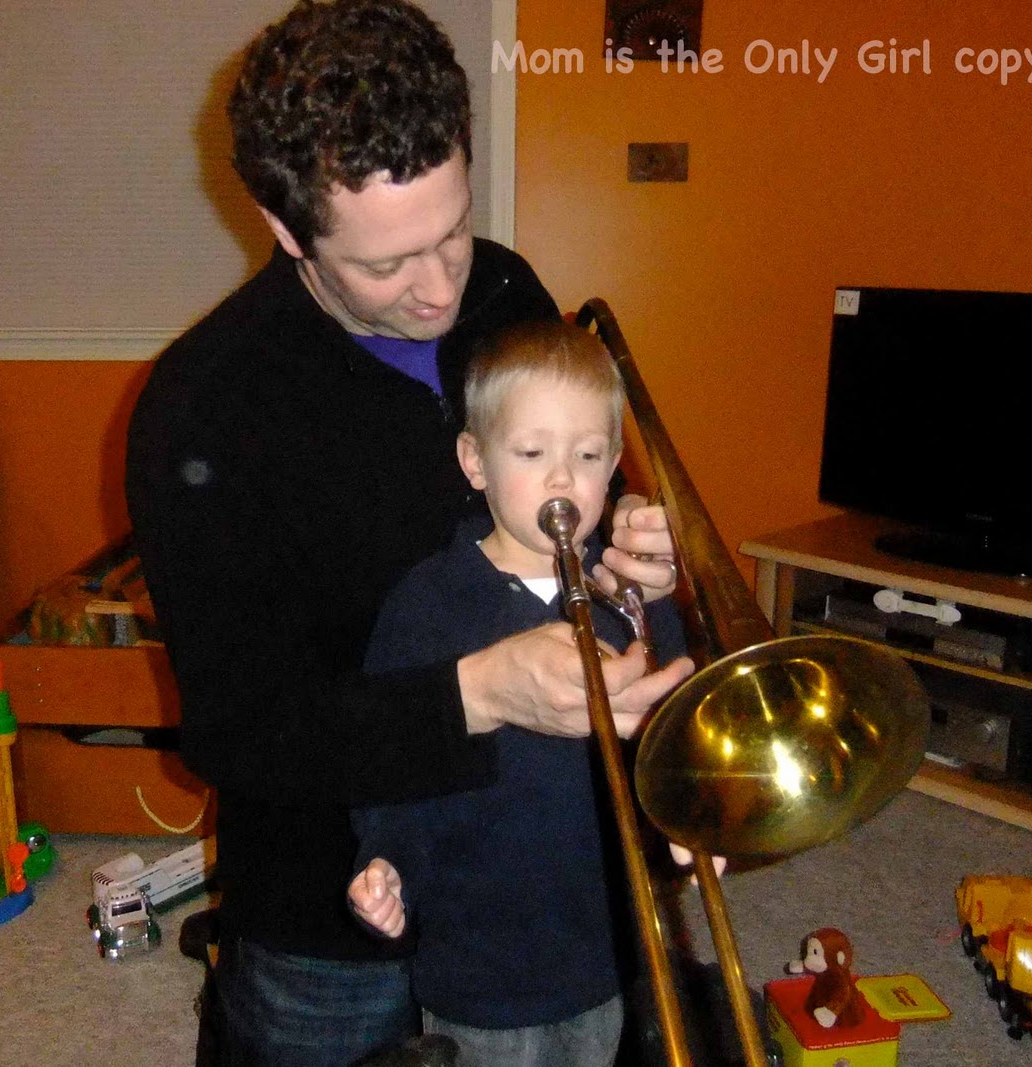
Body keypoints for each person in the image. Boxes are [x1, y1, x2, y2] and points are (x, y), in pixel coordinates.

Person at [124, 1, 692, 1063]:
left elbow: (564, 492)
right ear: (285, 229)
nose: (440, 289)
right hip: (335, 911)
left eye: (453, 230)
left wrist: (624, 556)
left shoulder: (506, 288)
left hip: (545, 878)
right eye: (387, 264)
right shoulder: (203, 410)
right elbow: (240, 732)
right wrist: (477, 691)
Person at [346, 320, 689, 1066]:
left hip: (603, 950)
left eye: (587, 456)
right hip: (477, 958)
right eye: (532, 454)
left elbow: (675, 738)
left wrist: (692, 819)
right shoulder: (426, 603)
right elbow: (392, 763)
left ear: (614, 465)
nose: (562, 480)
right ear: (476, 461)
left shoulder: (632, 596)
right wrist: (388, 860)